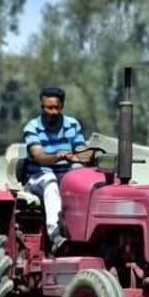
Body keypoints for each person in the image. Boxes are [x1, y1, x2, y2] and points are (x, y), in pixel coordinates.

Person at [23, 86, 88, 253]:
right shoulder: (32, 127)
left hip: (65, 175)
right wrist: (58, 156)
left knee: (85, 182)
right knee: (51, 181)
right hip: (38, 176)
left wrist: (89, 155)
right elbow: (39, 156)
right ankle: (56, 235)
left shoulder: (72, 124)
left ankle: (83, 234)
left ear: (62, 107)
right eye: (49, 108)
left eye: (56, 108)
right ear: (42, 107)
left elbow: (81, 148)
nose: (53, 112)